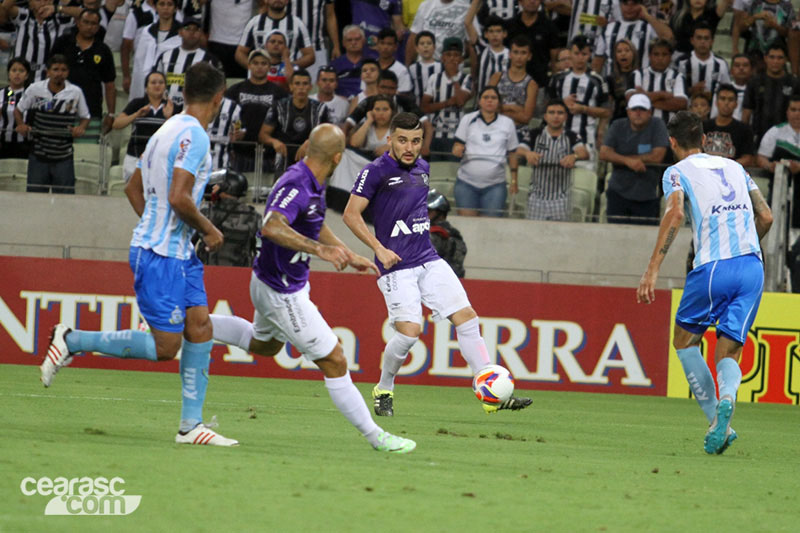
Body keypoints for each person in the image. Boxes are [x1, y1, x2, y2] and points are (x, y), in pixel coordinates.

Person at [40, 62, 240, 447]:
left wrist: (161, 225)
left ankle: (190, 426)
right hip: (161, 255)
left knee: (200, 328)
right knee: (167, 347)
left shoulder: (165, 130)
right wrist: (209, 229)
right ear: (218, 99)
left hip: (175, 252)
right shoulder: (195, 136)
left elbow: (132, 188)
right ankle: (72, 339)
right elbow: (179, 197)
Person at [208, 123, 417, 453]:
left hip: (271, 282)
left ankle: (187, 323)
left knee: (263, 346)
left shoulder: (311, 178)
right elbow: (272, 225)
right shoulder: (298, 183)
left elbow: (314, 224)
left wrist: (348, 254)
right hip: (281, 290)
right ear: (337, 157)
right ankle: (377, 436)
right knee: (334, 359)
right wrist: (321, 251)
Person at [342, 112, 531, 416]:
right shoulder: (375, 171)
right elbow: (351, 214)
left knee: (467, 317)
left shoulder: (423, 168)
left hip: (428, 258)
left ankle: (489, 390)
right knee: (409, 333)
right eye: (402, 140)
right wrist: (379, 248)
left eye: (416, 141)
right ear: (390, 139)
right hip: (396, 265)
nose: (410, 147)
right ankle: (384, 388)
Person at [637, 110, 773, 455]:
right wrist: (748, 246)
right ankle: (727, 398)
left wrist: (652, 268)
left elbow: (676, 212)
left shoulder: (675, 172)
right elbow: (767, 215)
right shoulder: (736, 168)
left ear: (672, 142)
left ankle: (716, 418)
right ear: (703, 138)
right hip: (752, 268)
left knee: (684, 341)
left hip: (713, 267)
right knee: (728, 349)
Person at [14, 54, 90, 194]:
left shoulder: (75, 92)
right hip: (38, 154)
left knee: (65, 202)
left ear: (68, 72)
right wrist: (21, 125)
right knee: (34, 199)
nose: (59, 73)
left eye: (63, 70)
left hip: (64, 155)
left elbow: (85, 117)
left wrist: (81, 128)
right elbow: (18, 110)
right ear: (47, 72)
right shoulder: (35, 89)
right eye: (55, 69)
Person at [599, 93, 669, 224]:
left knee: (647, 239)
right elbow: (603, 153)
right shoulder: (618, 125)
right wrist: (628, 161)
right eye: (634, 109)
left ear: (650, 112)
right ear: (628, 111)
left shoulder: (658, 125)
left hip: (647, 194)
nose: (638, 113)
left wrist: (620, 158)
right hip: (617, 192)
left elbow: (658, 156)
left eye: (642, 109)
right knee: (614, 236)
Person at [452, 86, 518, 216]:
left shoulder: (507, 123)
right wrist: (457, 149)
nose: (489, 100)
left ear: (498, 102)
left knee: (490, 229)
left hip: (495, 186)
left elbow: (513, 153)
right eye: (486, 97)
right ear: (479, 101)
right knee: (467, 228)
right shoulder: (468, 119)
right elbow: (457, 144)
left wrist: (514, 181)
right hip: (466, 184)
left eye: (493, 98)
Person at [521, 99, 589, 220]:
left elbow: (584, 153)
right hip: (536, 197)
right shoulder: (534, 134)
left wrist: (574, 156)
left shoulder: (572, 135)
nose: (555, 116)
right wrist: (527, 153)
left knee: (559, 236)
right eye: (551, 112)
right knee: (533, 234)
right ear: (545, 116)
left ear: (565, 117)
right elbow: (518, 150)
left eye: (560, 113)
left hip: (562, 198)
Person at [51, 8, 116, 133]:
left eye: (93, 24)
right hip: (60, 106)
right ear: (78, 22)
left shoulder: (103, 50)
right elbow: (49, 72)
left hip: (91, 108)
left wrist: (111, 114)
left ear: (98, 27)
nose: (89, 27)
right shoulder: (63, 42)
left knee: (88, 150)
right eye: (86, 22)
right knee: (58, 145)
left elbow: (110, 84)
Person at [548, 35, 610, 164]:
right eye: (576, 53)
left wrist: (583, 109)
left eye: (584, 54)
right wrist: (562, 104)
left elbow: (606, 112)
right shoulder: (558, 78)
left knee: (583, 181)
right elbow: (547, 106)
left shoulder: (597, 80)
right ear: (570, 53)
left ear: (590, 55)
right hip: (558, 138)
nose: (580, 58)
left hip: (586, 139)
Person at [225, 49, 288, 173]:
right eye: (255, 63)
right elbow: (224, 116)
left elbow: (284, 122)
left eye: (264, 63)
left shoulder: (279, 93)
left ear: (269, 67)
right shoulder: (235, 90)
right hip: (240, 151)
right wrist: (231, 133)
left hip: (269, 153)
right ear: (249, 65)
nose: (259, 67)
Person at [259, 68, 330, 175]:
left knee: (308, 189)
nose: (301, 87)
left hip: (310, 156)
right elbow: (263, 135)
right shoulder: (278, 107)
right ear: (291, 86)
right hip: (283, 158)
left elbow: (328, 137)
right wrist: (274, 142)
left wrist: (311, 142)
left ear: (310, 87)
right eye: (297, 83)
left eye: (305, 84)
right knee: (282, 189)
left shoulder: (320, 109)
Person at [113, 70, 179, 181]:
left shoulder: (172, 107)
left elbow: (178, 133)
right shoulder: (137, 103)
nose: (157, 85)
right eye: (153, 82)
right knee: (134, 192)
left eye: (161, 82)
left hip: (161, 159)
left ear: (165, 87)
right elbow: (116, 124)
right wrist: (136, 115)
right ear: (146, 88)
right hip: (135, 156)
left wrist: (168, 117)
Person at [591, 0, 674, 78]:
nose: (629, 8)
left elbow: (669, 37)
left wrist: (647, 16)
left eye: (634, 3)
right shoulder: (608, 29)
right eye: (625, 3)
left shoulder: (649, 28)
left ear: (641, 6)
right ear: (620, 5)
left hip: (642, 86)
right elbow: (597, 62)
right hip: (614, 88)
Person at [420, 36, 473, 158]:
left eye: (456, 55)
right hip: (434, 134)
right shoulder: (434, 78)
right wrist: (448, 102)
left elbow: (460, 101)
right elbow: (424, 107)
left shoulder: (467, 78)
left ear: (460, 59)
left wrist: (453, 77)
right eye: (448, 55)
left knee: (451, 172)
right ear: (443, 57)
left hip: (456, 134)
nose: (452, 58)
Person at [197, 170, 260, 267]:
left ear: (227, 187)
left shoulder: (207, 211)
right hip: (241, 273)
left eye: (218, 184)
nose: (214, 187)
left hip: (209, 270)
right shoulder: (253, 215)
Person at [741, 43, 800, 144]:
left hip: (788, 138)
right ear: (765, 58)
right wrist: (744, 137)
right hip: (759, 135)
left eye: (780, 58)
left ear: (786, 59)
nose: (775, 61)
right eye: (772, 57)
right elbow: (747, 112)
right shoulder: (755, 82)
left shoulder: (794, 83)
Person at [155, 17, 221, 107]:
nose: (192, 32)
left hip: (196, 108)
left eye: (196, 29)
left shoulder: (209, 60)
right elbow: (155, 80)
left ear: (201, 33)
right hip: (166, 107)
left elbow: (218, 87)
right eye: (187, 29)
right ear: (180, 32)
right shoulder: (165, 56)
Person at [489, 35, 537, 152]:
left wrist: (502, 108)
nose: (519, 57)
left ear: (529, 56)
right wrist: (515, 108)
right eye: (515, 52)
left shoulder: (531, 84)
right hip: (495, 128)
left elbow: (526, 118)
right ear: (510, 54)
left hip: (519, 132)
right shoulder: (497, 77)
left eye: (523, 53)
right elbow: (488, 108)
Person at [0, 0, 68, 82]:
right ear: (30, 3)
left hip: (48, 75)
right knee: (11, 93)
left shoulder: (59, 20)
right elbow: (3, 8)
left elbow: (82, 13)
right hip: (21, 73)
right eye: (38, 0)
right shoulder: (24, 16)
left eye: (47, 0)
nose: (43, 3)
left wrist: (58, 8)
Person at [235, 0, 314, 71]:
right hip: (260, 79)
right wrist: (254, 68)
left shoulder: (297, 24)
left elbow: (310, 56)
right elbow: (240, 53)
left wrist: (290, 66)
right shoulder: (254, 22)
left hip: (286, 79)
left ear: (287, 1)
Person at [757, 94, 800, 223]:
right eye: (793, 110)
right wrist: (770, 166)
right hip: (778, 190)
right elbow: (761, 158)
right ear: (787, 112)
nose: (797, 114)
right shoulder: (775, 132)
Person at [128, 0, 181, 102]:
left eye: (170, 4)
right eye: (162, 4)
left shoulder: (181, 33)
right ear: (155, 7)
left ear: (175, 8)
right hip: (147, 81)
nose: (166, 8)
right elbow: (139, 62)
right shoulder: (147, 32)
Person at [630, 38, 688, 127]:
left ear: (670, 56)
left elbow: (681, 104)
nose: (660, 58)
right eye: (656, 54)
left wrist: (644, 97)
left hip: (669, 130)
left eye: (664, 54)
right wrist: (661, 94)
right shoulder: (638, 74)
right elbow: (631, 100)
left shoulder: (677, 76)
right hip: (642, 129)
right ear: (649, 56)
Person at [504, 0, 559, 89]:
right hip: (511, 83)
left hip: (540, 84)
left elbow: (554, 60)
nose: (532, 1)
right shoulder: (509, 25)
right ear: (520, 2)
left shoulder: (549, 26)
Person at [703, 83, 755, 167]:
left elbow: (748, 158)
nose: (726, 103)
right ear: (716, 102)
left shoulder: (744, 130)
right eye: (722, 99)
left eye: (730, 100)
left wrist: (726, 166)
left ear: (736, 104)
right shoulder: (703, 126)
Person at [288, 0, 341, 81]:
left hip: (316, 46)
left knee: (316, 87)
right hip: (290, 48)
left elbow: (330, 16)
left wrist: (336, 45)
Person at [677, 21, 731, 99]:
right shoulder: (682, 62)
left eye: (706, 38)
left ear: (712, 41)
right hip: (687, 109)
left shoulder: (721, 64)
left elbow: (727, 90)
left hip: (714, 109)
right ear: (692, 40)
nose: (702, 42)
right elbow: (675, 91)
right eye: (699, 38)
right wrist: (691, 90)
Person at [406, 0, 471, 64]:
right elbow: (413, 37)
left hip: (453, 65)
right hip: (426, 63)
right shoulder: (425, 5)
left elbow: (471, 42)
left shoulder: (466, 8)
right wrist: (408, 66)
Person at [207, 0, 252, 78]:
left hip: (241, 45)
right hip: (217, 40)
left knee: (238, 82)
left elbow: (263, 5)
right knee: (216, 81)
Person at [427, 188, 466, 278]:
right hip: (451, 280)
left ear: (440, 213)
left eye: (428, 211)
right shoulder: (454, 233)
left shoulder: (435, 234)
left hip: (436, 280)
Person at [466, 14, 508, 94]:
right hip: (482, 102)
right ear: (486, 34)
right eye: (491, 31)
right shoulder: (482, 48)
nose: (495, 35)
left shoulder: (511, 54)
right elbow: (468, 23)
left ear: (504, 34)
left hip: (504, 103)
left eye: (498, 31)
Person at [0, 57, 31, 159]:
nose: (17, 74)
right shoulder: (2, 93)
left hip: (24, 144)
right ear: (9, 73)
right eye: (14, 70)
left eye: (21, 71)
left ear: (27, 75)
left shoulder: (31, 95)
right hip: (2, 143)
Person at [711, 53, 753, 120]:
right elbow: (714, 116)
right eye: (737, 65)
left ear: (751, 70)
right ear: (731, 71)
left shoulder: (755, 91)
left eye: (745, 65)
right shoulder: (721, 90)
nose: (741, 68)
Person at [606, 39, 639, 121]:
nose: (623, 54)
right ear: (615, 56)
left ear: (634, 53)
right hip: (618, 120)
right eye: (619, 51)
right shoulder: (610, 78)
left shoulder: (641, 75)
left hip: (638, 119)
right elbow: (608, 105)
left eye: (627, 50)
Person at [374, 27, 412, 94]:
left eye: (389, 44)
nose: (385, 47)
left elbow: (403, 94)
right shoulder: (370, 67)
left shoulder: (402, 70)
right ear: (377, 45)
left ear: (395, 47)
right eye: (382, 43)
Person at [408, 31, 442, 105]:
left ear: (434, 47)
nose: (425, 46)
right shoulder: (412, 68)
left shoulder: (441, 67)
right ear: (416, 48)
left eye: (429, 43)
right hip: (418, 108)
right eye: (422, 44)